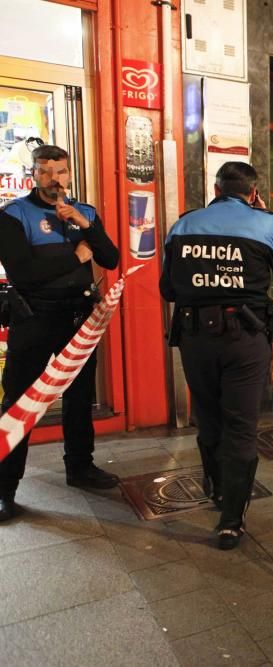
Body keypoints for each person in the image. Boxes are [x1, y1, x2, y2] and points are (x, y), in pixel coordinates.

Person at [160, 161, 273, 550]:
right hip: (245, 339)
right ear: (253, 192)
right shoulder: (267, 224)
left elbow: (168, 289)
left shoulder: (184, 225)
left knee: (208, 418)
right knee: (241, 425)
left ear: (216, 188)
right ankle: (231, 521)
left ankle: (219, 491)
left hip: (195, 340)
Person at [0, 144, 121, 521]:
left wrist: (87, 228)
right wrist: (74, 257)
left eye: (61, 171)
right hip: (35, 320)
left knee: (80, 396)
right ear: (34, 174)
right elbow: (23, 272)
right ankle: (5, 489)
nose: (55, 179)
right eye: (46, 171)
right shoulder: (13, 215)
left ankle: (80, 467)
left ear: (70, 174)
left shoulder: (84, 213)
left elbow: (112, 259)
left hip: (79, 319)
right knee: (20, 403)